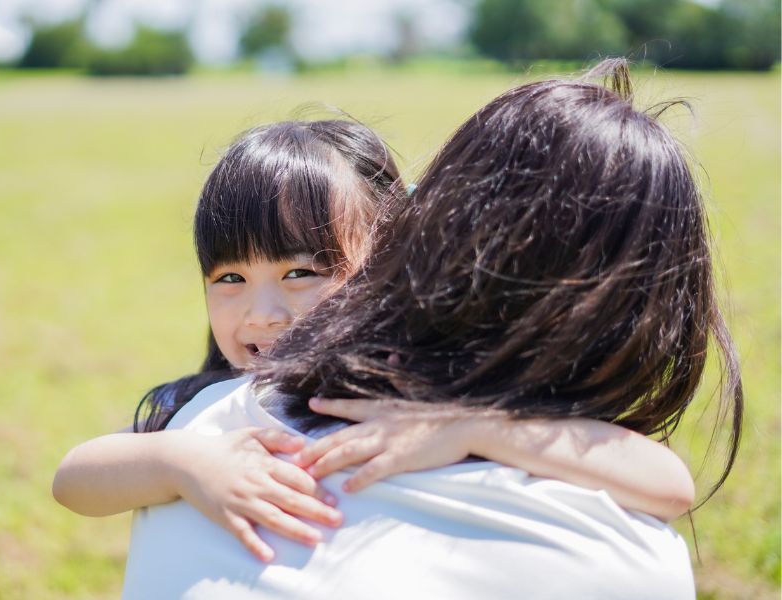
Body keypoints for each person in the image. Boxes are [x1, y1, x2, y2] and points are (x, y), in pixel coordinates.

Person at [118, 60, 742, 599]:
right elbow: (80, 475)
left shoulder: (226, 410)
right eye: (228, 279)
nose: (265, 314)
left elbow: (670, 482)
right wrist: (178, 459)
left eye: (304, 272)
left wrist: (474, 428)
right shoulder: (625, 553)